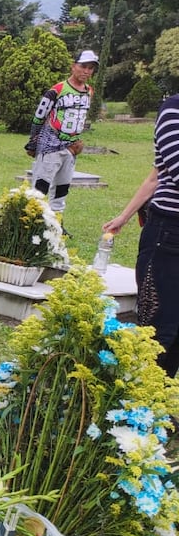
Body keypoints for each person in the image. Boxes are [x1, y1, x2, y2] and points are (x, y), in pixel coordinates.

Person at [103, 92, 179, 377]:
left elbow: (155, 176)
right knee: (159, 330)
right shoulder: (173, 111)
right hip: (169, 234)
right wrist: (124, 215)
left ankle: (154, 409)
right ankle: (135, 406)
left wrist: (123, 216)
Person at [26, 50, 98, 220]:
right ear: (73, 66)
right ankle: (31, 220)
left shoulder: (89, 91)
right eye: (83, 66)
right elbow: (39, 115)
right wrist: (33, 141)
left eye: (91, 68)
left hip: (71, 146)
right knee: (41, 185)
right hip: (50, 143)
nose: (86, 71)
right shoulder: (57, 90)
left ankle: (56, 222)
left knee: (63, 186)